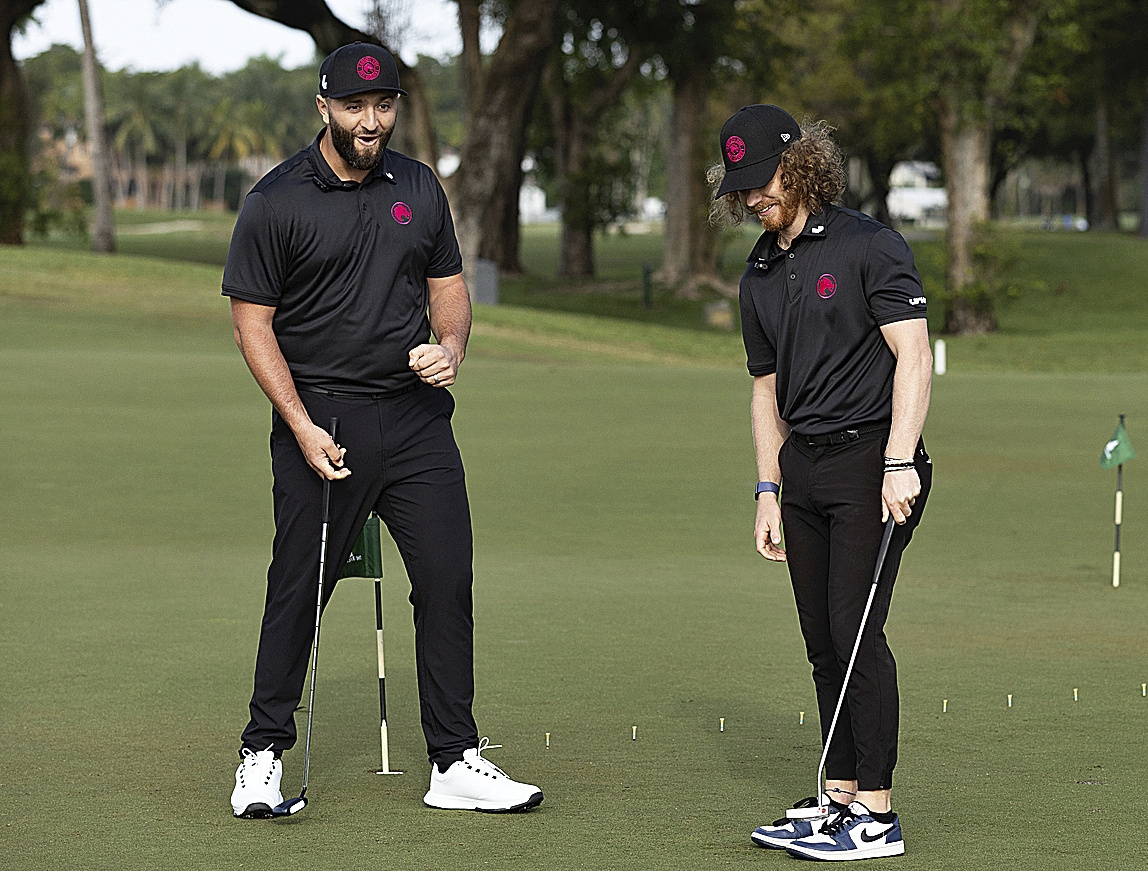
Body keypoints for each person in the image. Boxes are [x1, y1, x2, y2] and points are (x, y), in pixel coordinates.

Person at [222, 43, 542, 819]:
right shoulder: (276, 200)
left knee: (445, 579)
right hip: (323, 420)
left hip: (417, 419)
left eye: (385, 105)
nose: (372, 121)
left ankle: (454, 760)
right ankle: (261, 753)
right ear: (325, 108)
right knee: (301, 587)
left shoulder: (419, 186)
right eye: (356, 107)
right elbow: (251, 325)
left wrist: (453, 346)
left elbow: (450, 289)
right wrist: (297, 423)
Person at [709, 105, 932, 861]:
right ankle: (837, 795)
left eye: (761, 182)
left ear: (800, 164)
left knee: (854, 627)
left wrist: (901, 458)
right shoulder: (760, 271)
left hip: (875, 462)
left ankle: (878, 810)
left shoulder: (870, 245)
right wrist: (767, 491)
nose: (751, 200)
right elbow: (764, 391)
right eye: (740, 189)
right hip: (801, 467)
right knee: (819, 637)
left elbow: (914, 356)